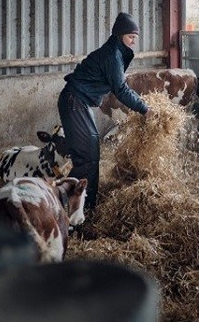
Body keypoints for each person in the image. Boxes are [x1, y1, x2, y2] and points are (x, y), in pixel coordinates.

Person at [58, 12, 154, 209]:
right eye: (131, 37)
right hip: (74, 101)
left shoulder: (114, 52)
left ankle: (84, 203)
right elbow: (121, 89)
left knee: (89, 154)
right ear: (120, 35)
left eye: (135, 38)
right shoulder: (112, 55)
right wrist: (145, 109)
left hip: (78, 102)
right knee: (87, 157)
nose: (134, 42)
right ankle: (66, 202)